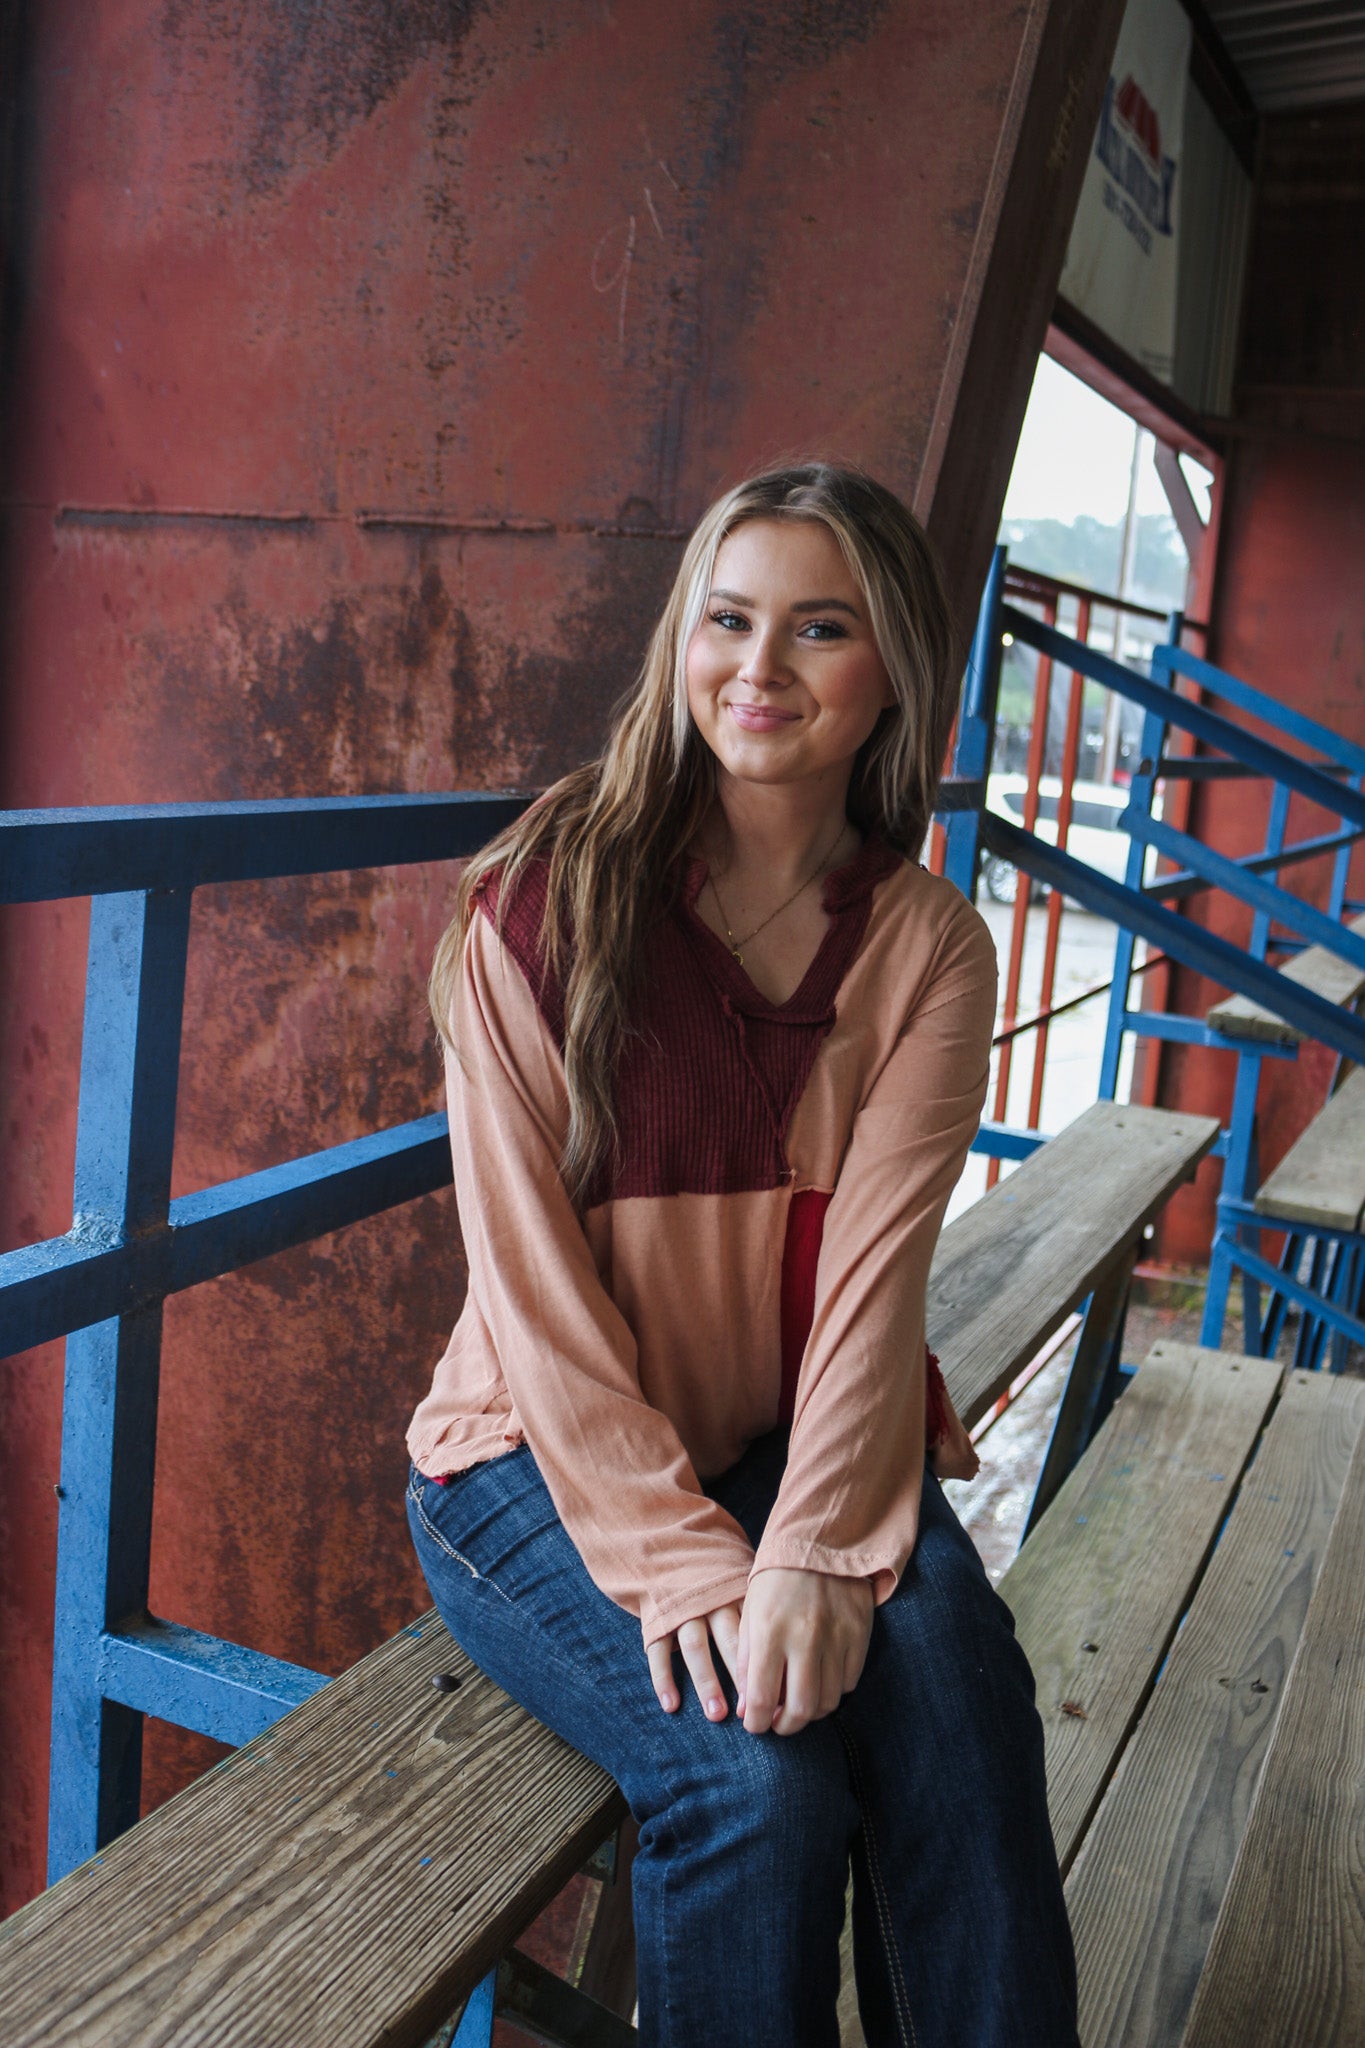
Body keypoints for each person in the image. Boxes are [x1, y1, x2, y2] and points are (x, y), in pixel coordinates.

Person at [406, 462, 1079, 2048]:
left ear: (896, 666)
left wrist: (818, 1556)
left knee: (959, 1720)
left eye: (819, 628)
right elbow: (533, 1299)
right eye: (728, 619)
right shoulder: (535, 905)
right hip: (534, 1460)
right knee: (750, 1788)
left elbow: (873, 1291)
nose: (758, 669)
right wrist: (692, 1558)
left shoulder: (923, 944)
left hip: (792, 1442)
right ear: (681, 640)